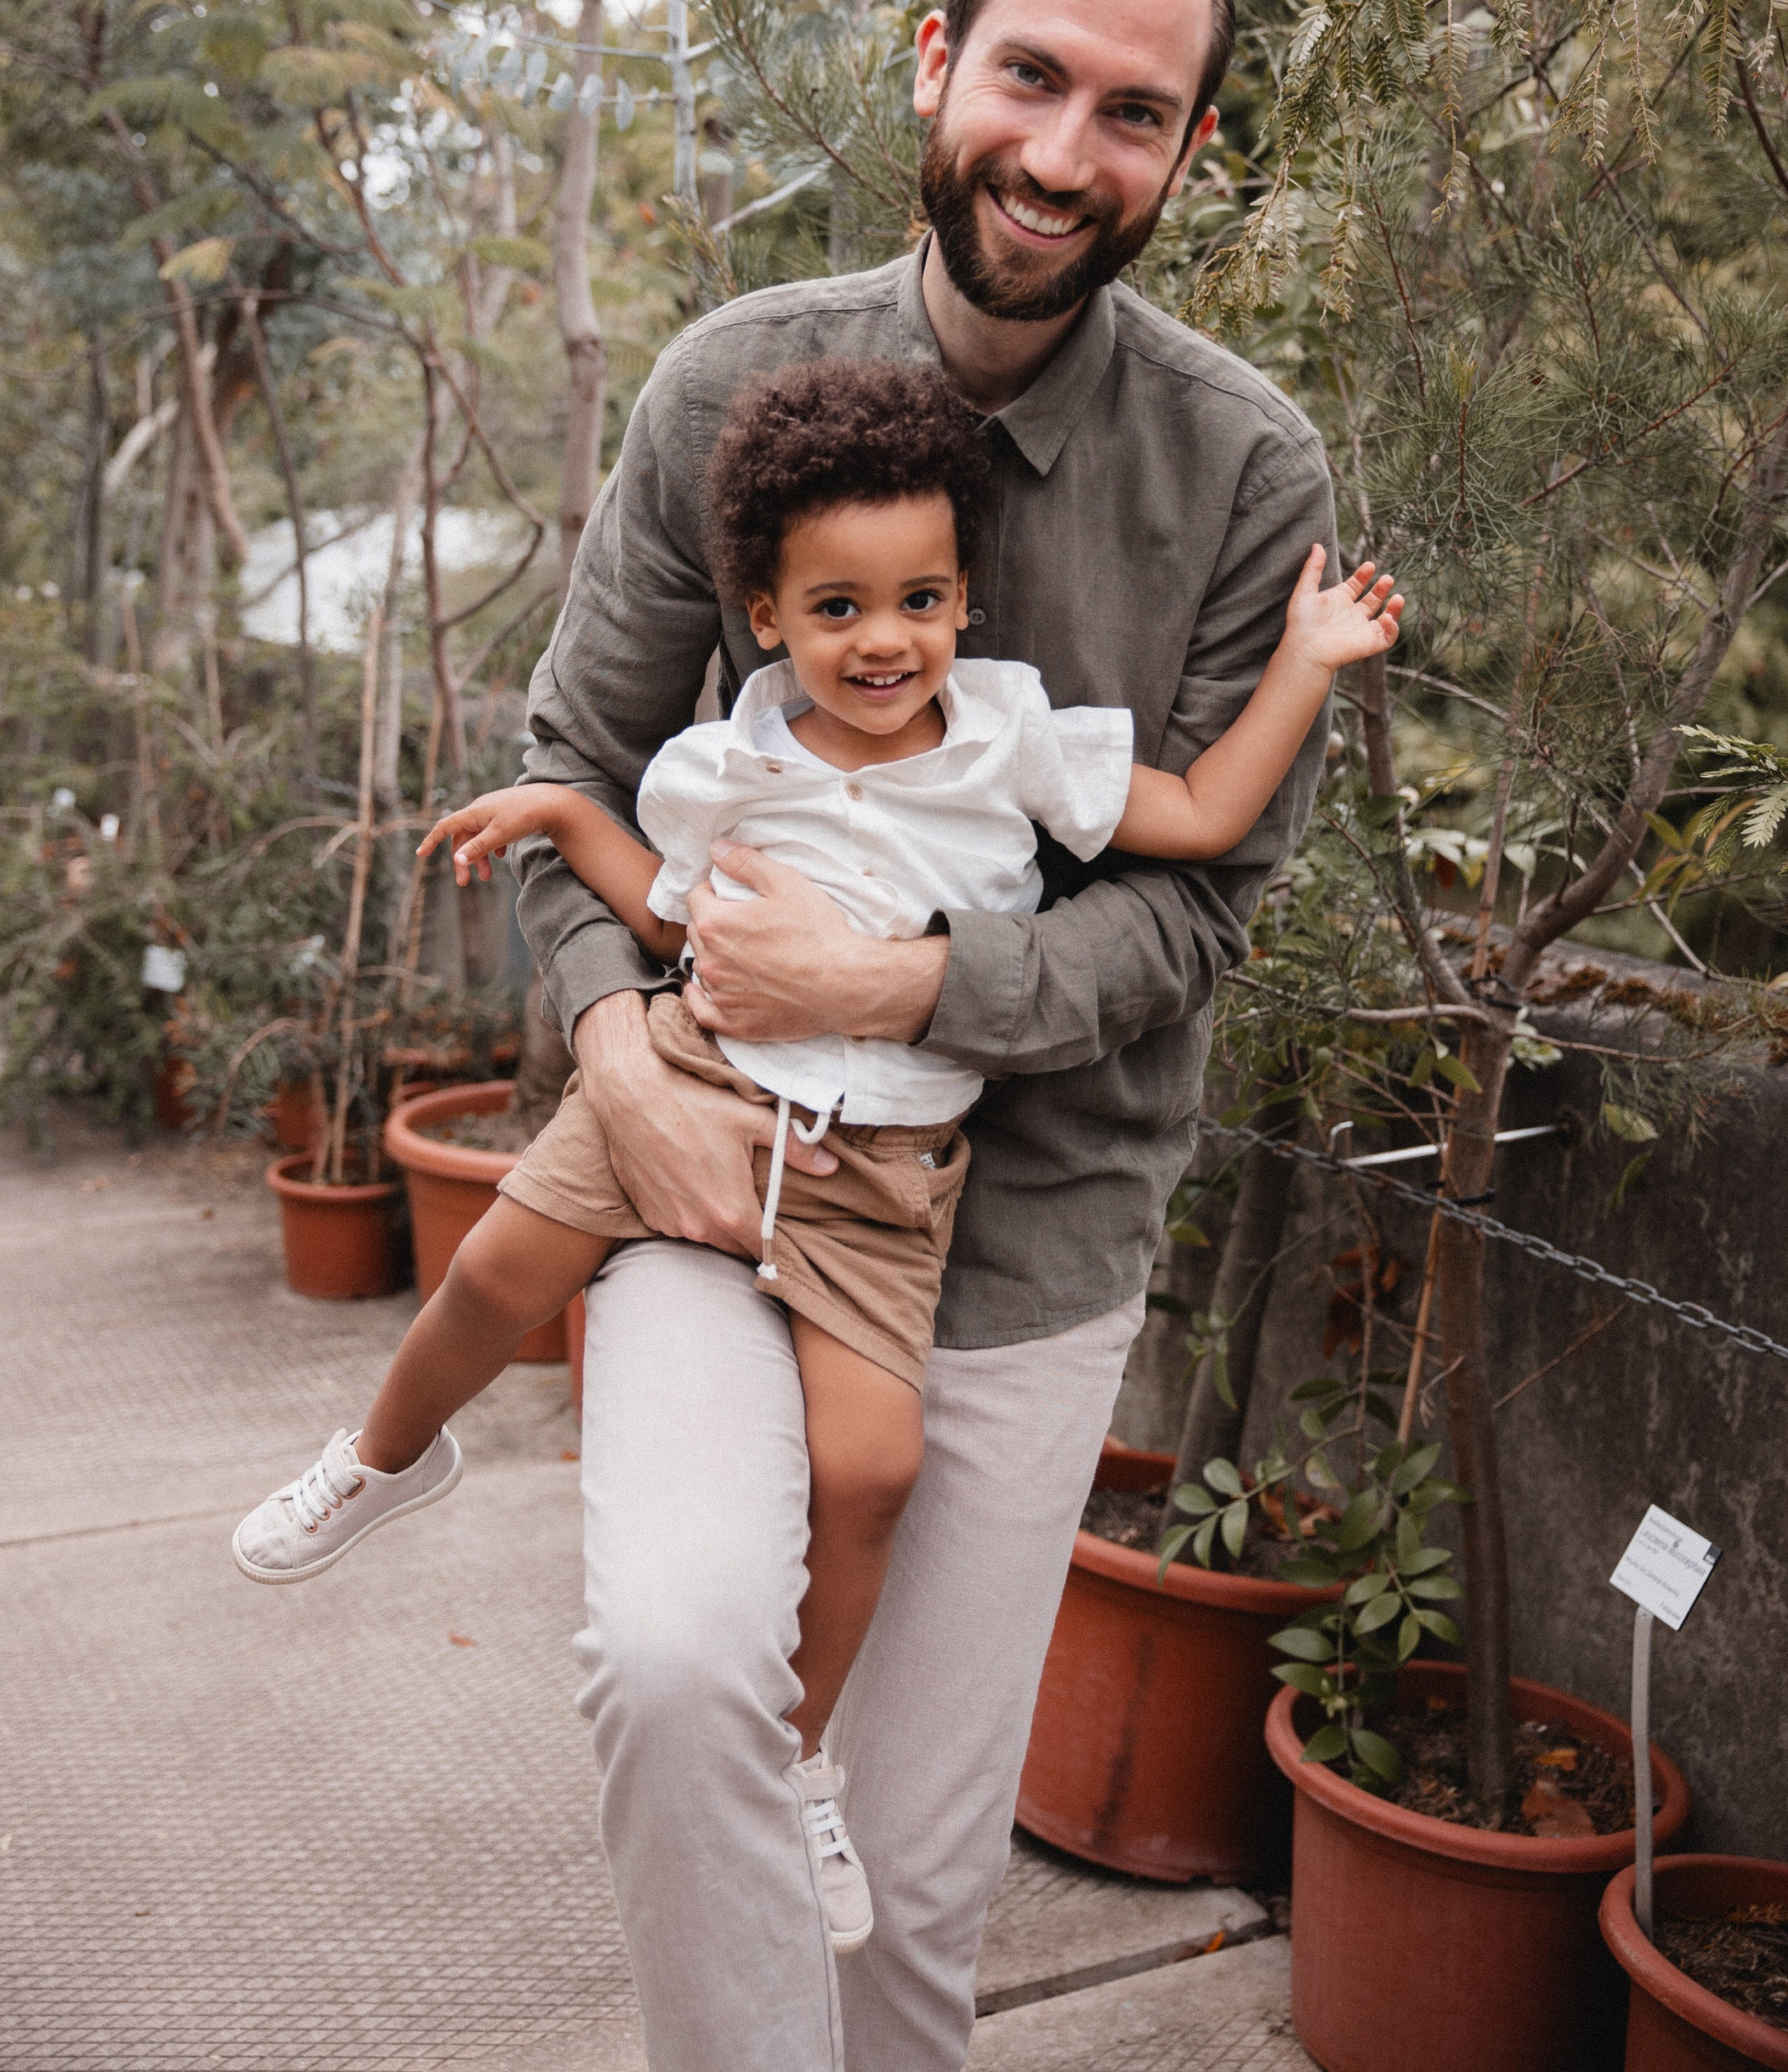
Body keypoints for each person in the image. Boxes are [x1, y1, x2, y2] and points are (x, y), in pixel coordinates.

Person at [229, 356, 1398, 1966]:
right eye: (836, 607)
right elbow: (668, 914)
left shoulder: (1004, 739)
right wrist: (560, 818)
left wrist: (1305, 663)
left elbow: (1197, 818)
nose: (882, 640)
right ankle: (383, 1456)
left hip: (880, 1172)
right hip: (693, 1085)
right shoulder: (730, 759)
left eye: (919, 599)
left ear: (965, 599)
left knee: (870, 1474)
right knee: (494, 1268)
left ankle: (799, 1760)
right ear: (766, 616)